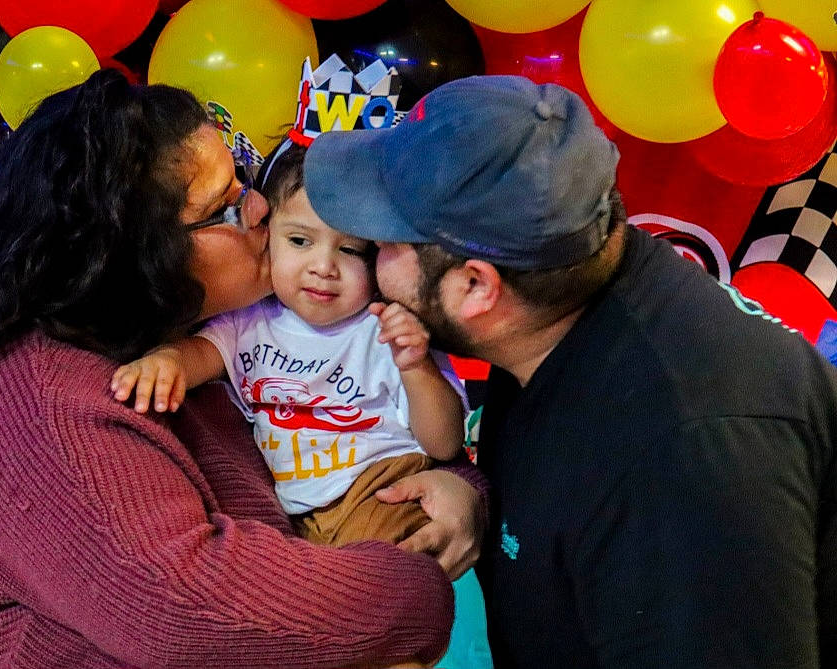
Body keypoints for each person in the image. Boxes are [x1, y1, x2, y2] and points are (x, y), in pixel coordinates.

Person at [0, 69, 487, 669]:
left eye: (245, 179)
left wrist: (459, 489)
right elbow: (186, 609)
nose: (260, 210)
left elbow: (378, 438)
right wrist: (419, 582)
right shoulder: (33, 402)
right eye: (225, 208)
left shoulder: (188, 342)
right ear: (134, 250)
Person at [302, 75, 836, 668]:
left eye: (386, 241)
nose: (368, 250)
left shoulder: (685, 465)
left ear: (475, 287)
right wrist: (479, 496)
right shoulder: (560, 296)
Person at [112, 140, 465, 548]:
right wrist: (167, 362)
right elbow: (201, 355)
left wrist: (416, 367)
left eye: (350, 250)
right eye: (299, 241)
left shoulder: (387, 329)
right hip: (297, 517)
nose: (323, 267)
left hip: (380, 488)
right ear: (268, 237)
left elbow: (444, 443)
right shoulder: (249, 318)